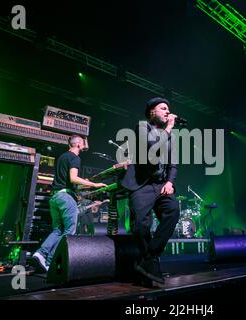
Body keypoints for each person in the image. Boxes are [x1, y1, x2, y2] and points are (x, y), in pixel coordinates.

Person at [120, 97, 180, 284]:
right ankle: (149, 265)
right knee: (140, 226)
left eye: (169, 109)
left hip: (161, 185)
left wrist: (170, 182)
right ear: (152, 112)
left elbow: (174, 164)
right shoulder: (143, 127)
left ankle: (149, 258)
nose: (167, 112)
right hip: (142, 185)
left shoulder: (170, 136)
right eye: (163, 108)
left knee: (173, 210)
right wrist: (168, 129)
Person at [32, 135, 107, 271]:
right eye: (83, 143)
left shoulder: (63, 157)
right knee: (69, 231)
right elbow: (73, 178)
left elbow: (70, 181)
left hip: (55, 197)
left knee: (58, 229)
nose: (86, 144)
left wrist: (88, 185)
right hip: (66, 197)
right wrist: (94, 184)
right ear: (78, 144)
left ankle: (40, 253)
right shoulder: (75, 157)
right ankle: (50, 261)